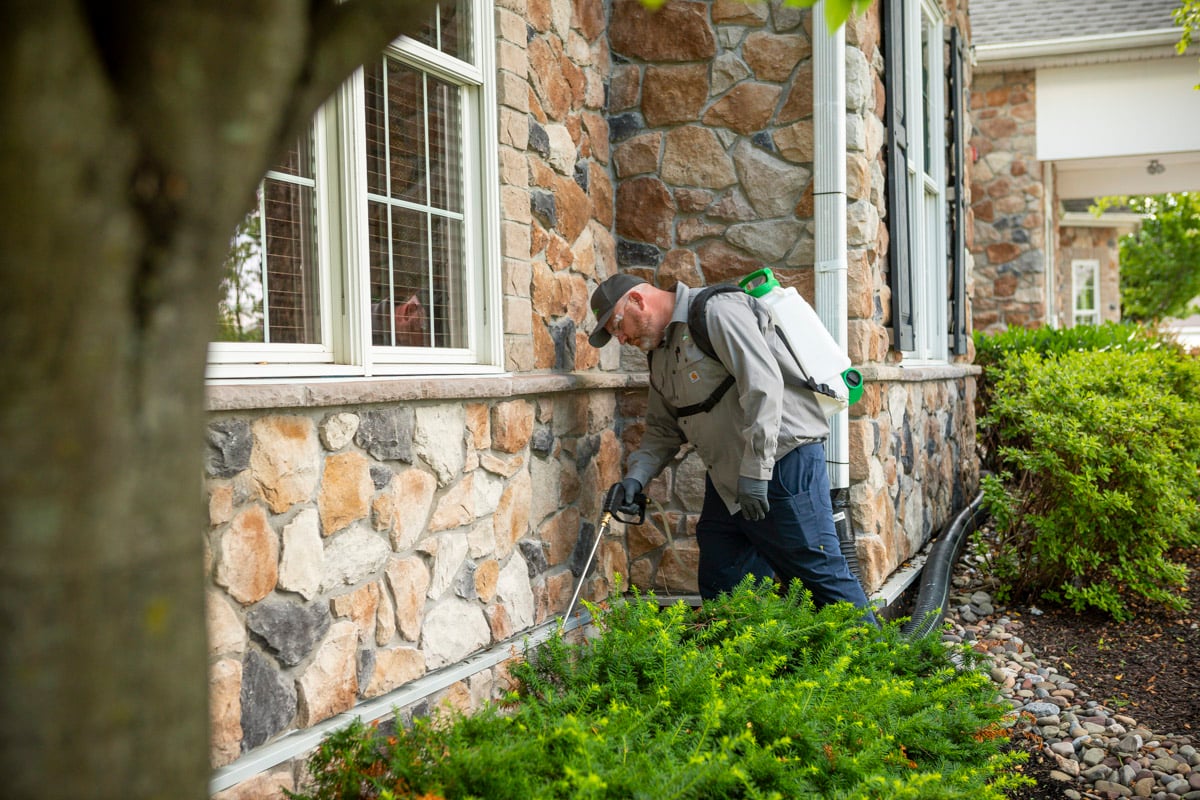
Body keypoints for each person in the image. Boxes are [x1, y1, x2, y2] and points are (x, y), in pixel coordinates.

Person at [588, 273, 876, 623]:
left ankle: (887, 668)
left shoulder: (716, 312)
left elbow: (764, 388)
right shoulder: (660, 355)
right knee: (725, 584)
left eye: (617, 325)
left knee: (820, 578)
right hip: (729, 482)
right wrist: (636, 479)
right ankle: (744, 672)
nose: (621, 338)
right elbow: (664, 429)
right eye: (614, 335)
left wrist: (756, 473)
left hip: (782, 464)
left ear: (637, 300)